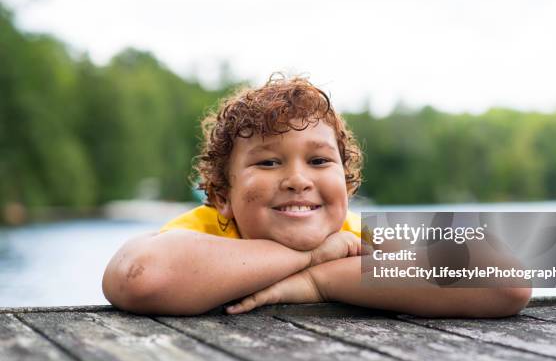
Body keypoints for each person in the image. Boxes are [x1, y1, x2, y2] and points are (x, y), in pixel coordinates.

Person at [102, 75, 531, 316]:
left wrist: (317, 282)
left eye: (320, 162)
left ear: (346, 185)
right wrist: (311, 257)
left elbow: (509, 281)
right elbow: (142, 277)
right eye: (268, 163)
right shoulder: (208, 229)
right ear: (222, 196)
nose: (297, 179)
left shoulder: (354, 233)